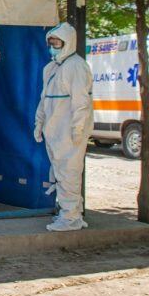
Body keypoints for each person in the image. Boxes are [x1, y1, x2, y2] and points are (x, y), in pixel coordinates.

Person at [34, 22, 94, 232]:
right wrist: (39, 121)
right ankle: (68, 212)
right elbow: (45, 98)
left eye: (57, 42)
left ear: (68, 43)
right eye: (51, 43)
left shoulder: (76, 66)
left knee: (69, 172)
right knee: (60, 171)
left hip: (68, 130)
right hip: (54, 128)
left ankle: (71, 218)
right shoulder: (51, 67)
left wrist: (77, 128)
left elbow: (81, 102)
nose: (53, 46)